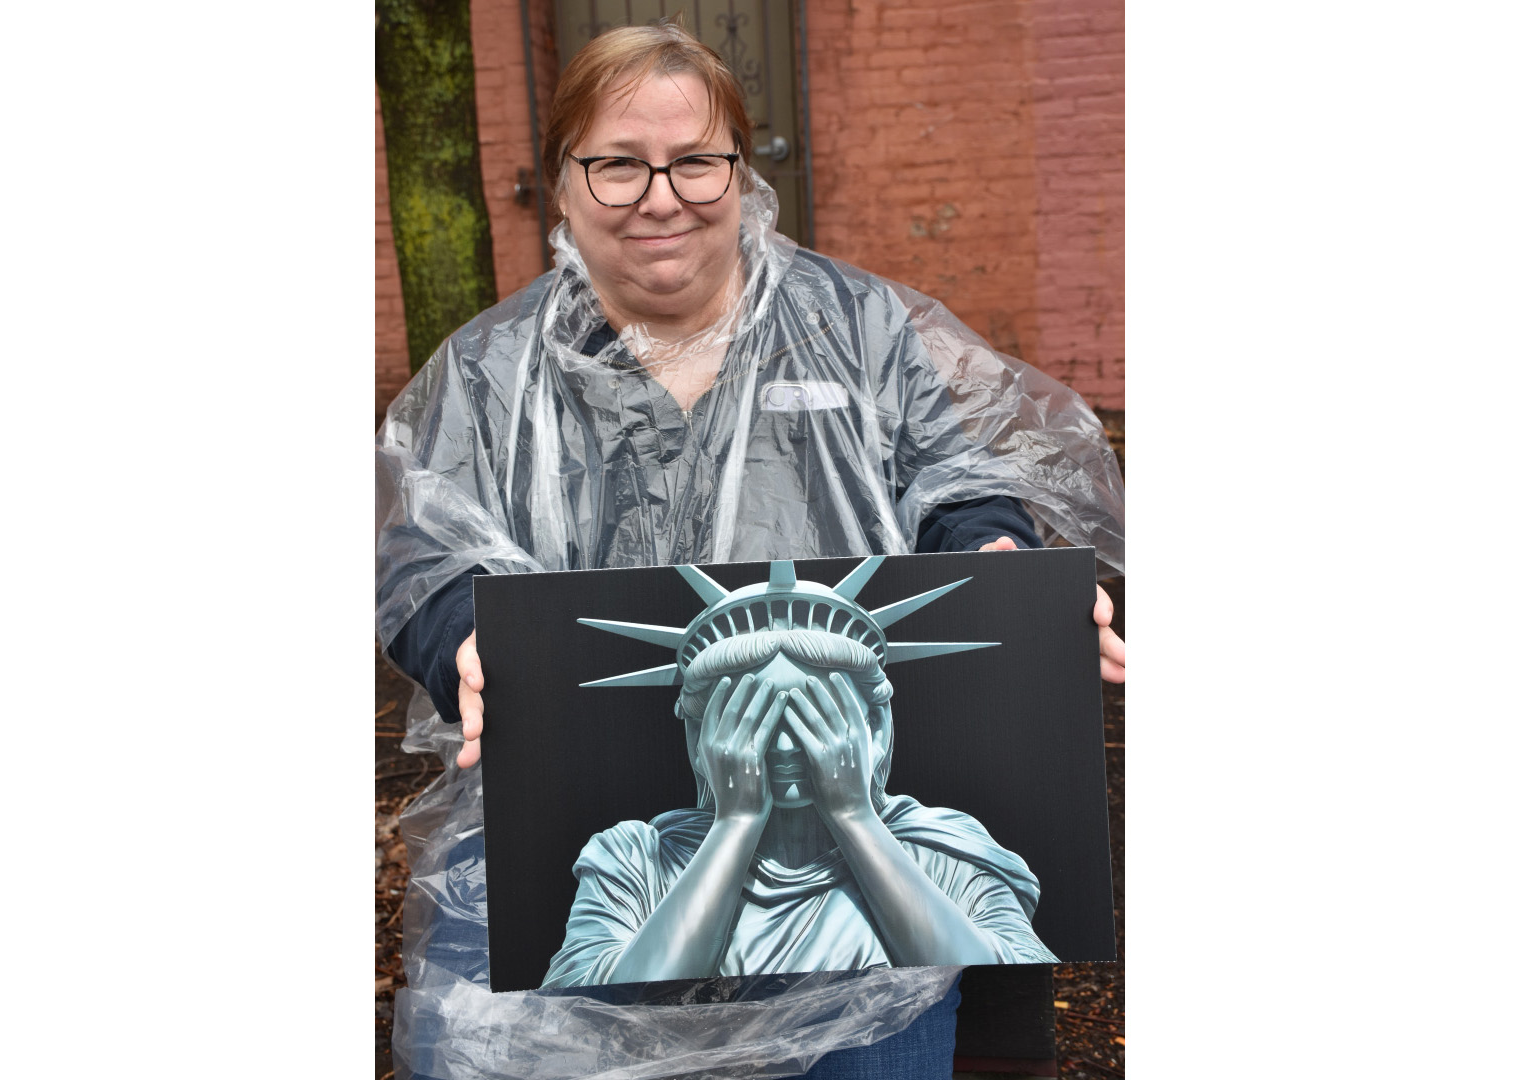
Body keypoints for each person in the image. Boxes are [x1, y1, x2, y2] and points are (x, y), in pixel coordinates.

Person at [377, 21, 1125, 1080]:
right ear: (561, 179)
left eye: (696, 160)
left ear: (742, 166)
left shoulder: (858, 329)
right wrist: (461, 632)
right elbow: (421, 551)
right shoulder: (491, 372)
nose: (662, 195)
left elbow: (958, 486)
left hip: (865, 956)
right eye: (617, 164)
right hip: (570, 845)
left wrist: (1003, 575)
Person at [543, 559, 1059, 991]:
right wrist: (735, 823)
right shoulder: (635, 858)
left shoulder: (942, 849)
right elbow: (596, 1007)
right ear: (698, 741)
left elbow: (1004, 980)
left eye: (812, 713)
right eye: (756, 717)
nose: (786, 745)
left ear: (874, 728)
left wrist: (854, 817)